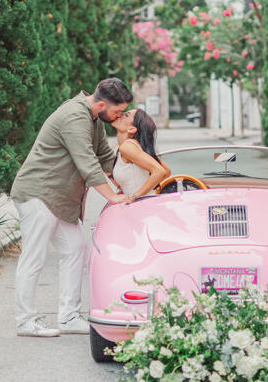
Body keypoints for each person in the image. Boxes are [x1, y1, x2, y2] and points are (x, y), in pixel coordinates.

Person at [11, 78, 134, 337]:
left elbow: (104, 158)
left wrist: (130, 183)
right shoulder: (74, 116)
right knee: (34, 257)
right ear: (101, 104)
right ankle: (25, 321)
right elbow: (88, 164)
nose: (119, 117)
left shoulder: (94, 119)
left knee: (76, 248)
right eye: (117, 112)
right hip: (39, 193)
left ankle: (68, 317)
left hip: (60, 200)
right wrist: (113, 197)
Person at [111, 108, 171, 199]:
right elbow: (167, 171)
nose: (120, 114)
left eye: (126, 115)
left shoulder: (127, 147)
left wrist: (135, 195)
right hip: (145, 203)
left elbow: (160, 171)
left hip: (139, 205)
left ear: (131, 129)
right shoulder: (136, 146)